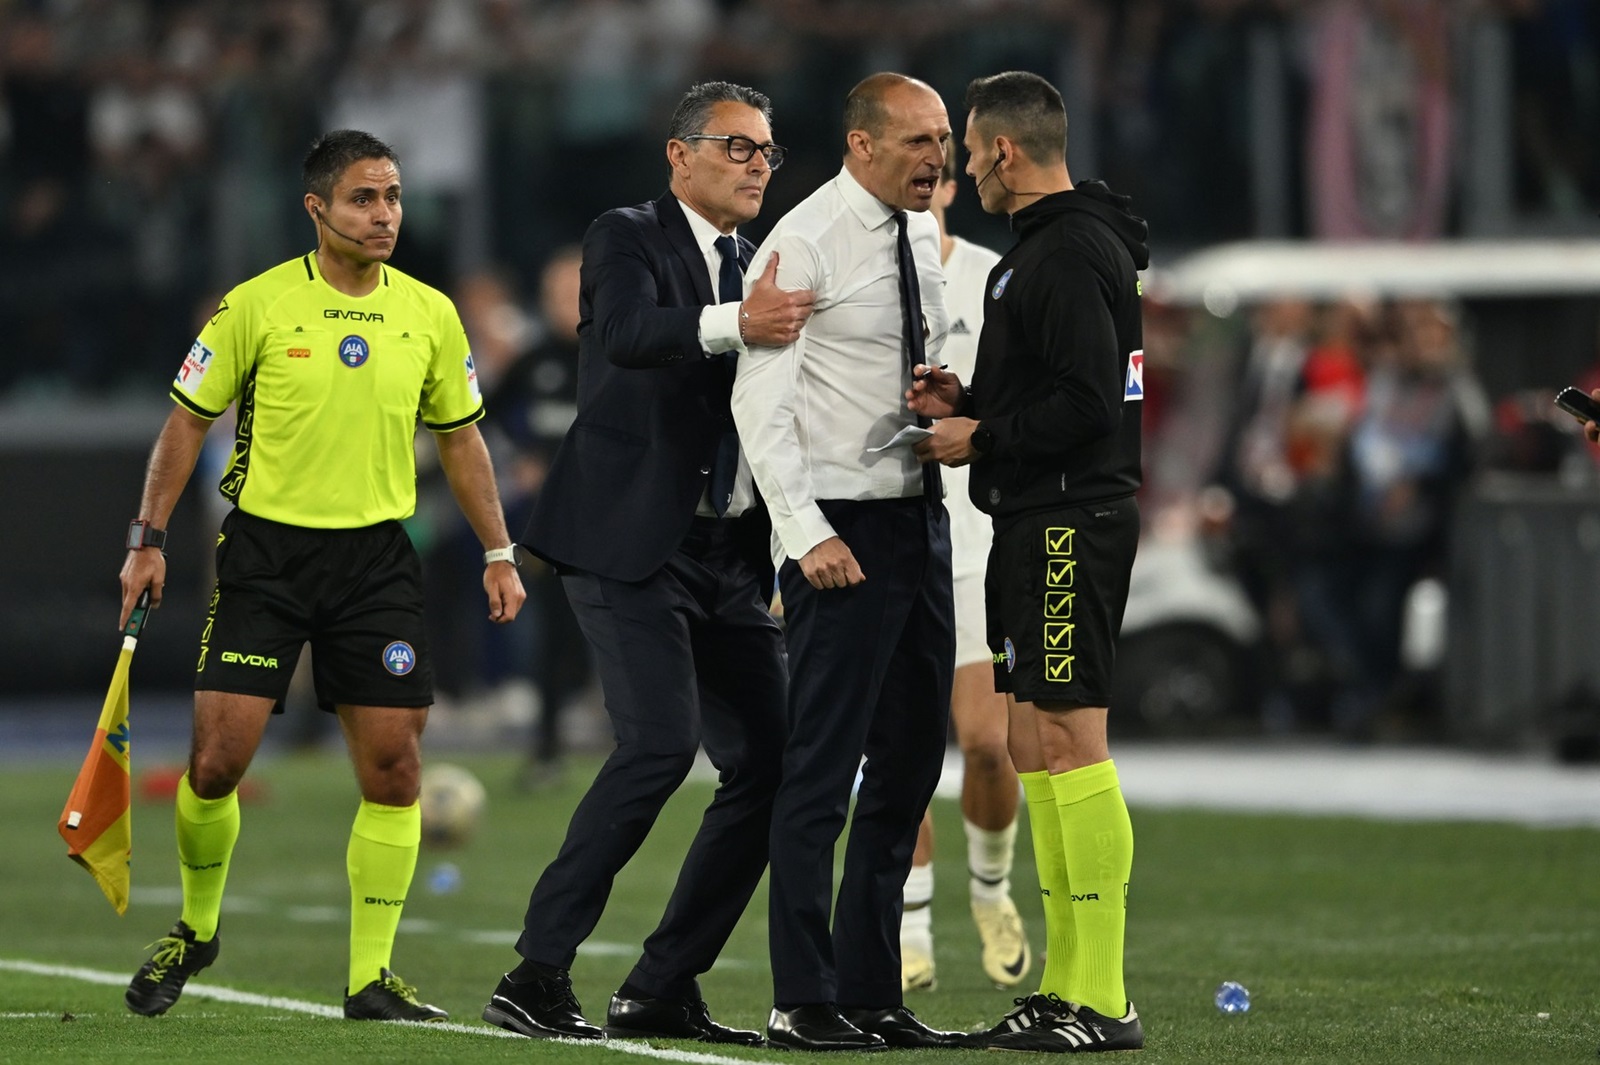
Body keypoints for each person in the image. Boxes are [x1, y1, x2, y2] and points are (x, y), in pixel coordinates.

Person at [117, 129, 527, 1023]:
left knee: (394, 770)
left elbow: (462, 439)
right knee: (216, 763)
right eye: (364, 200)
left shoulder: (430, 312)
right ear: (318, 210)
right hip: (265, 556)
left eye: (393, 199)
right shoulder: (253, 307)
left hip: (377, 562)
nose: (385, 216)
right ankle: (195, 926)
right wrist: (146, 539)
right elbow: (184, 424)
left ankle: (369, 978)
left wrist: (499, 550)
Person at [480, 81, 813, 1045]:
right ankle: (536, 971)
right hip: (626, 540)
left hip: (726, 548)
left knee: (778, 758)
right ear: (679, 156)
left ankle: (665, 979)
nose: (757, 165)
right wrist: (737, 323)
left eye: (767, 152)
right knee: (660, 745)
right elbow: (628, 335)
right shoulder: (626, 233)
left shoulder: (764, 262)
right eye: (737, 147)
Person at [908, 70, 1149, 1052]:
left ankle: (1101, 998)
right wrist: (968, 398)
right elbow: (1058, 387)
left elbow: (1091, 406)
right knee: (1024, 739)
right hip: (1032, 519)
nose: (965, 167)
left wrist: (981, 438)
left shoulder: (1063, 253)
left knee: (1068, 741)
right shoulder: (1049, 250)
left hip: (1067, 522)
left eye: (969, 152)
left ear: (1004, 152)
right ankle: (1065, 987)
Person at [731, 72, 964, 1052]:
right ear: (859, 145)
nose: (936, 158)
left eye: (943, 138)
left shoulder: (917, 233)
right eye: (916, 141)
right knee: (821, 769)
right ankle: (800, 996)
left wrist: (943, 392)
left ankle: (871, 991)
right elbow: (759, 402)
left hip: (917, 515)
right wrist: (802, 532)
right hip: (841, 531)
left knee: (910, 765)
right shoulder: (803, 241)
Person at [899, 153, 1030, 995]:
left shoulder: (993, 279)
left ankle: (991, 890)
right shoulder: (855, 279)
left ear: (950, 186)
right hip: (892, 536)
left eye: (934, 173)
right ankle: (909, 924)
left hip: (980, 536)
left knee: (988, 743)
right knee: (900, 753)